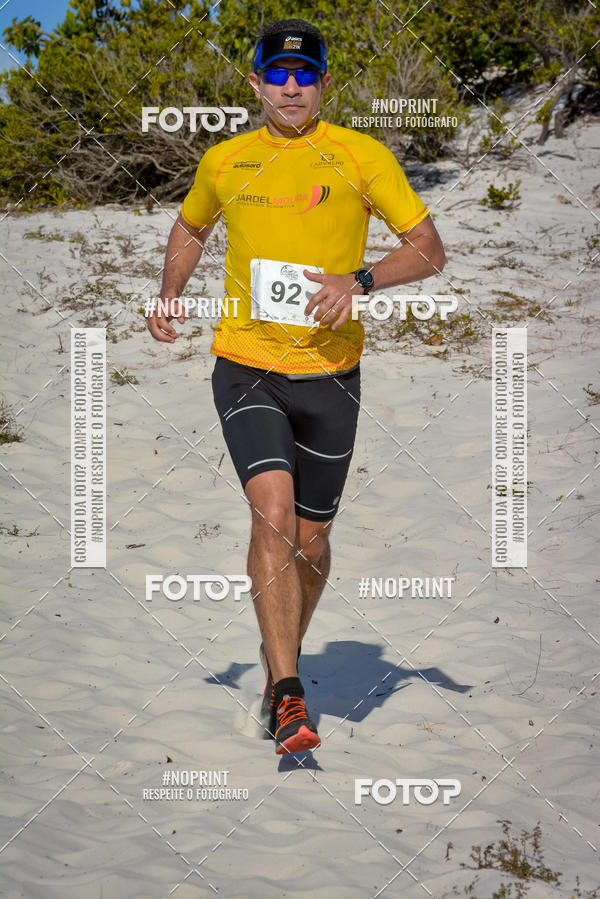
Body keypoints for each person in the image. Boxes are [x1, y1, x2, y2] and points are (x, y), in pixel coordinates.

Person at [147, 18, 446, 755]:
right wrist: (169, 292)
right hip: (247, 365)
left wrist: (360, 280)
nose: (290, 87)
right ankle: (287, 692)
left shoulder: (361, 156)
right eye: (277, 75)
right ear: (255, 83)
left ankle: (278, 651)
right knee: (273, 515)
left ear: (323, 83)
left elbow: (429, 250)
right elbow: (190, 228)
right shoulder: (226, 160)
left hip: (332, 377)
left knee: (311, 544)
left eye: (304, 74)